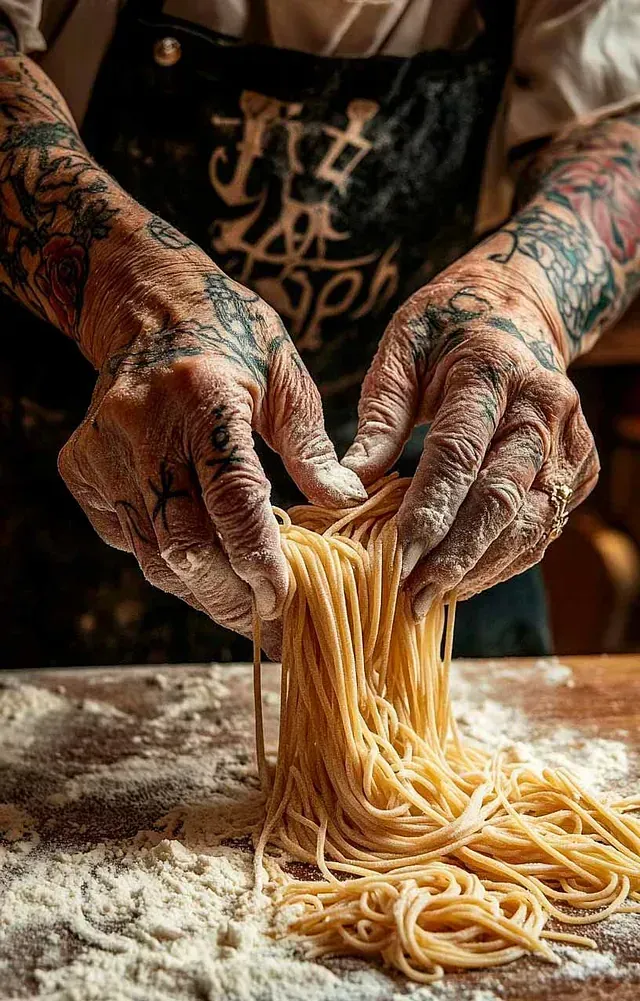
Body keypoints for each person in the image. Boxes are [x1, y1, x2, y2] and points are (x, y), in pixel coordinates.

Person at [0, 0, 638, 666]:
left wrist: (527, 298)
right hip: (94, 479)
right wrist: (125, 288)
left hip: (437, 489)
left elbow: (618, 128)